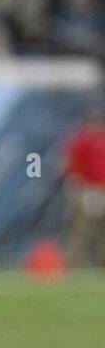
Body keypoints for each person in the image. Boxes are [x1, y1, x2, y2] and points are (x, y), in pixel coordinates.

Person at [63, 100, 105, 269]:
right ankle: (74, 263)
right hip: (85, 188)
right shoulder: (80, 139)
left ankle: (101, 260)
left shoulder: (99, 138)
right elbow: (72, 165)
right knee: (79, 228)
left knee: (101, 229)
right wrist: (78, 186)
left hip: (102, 187)